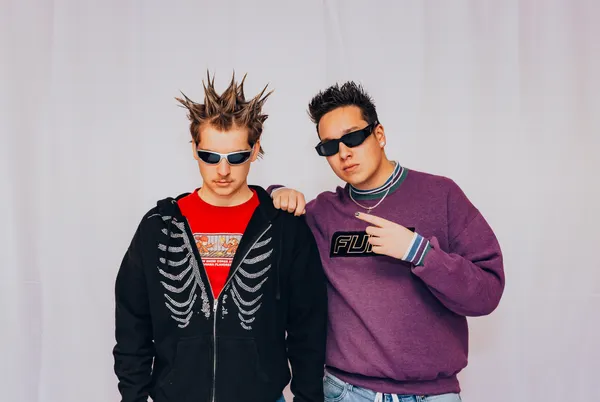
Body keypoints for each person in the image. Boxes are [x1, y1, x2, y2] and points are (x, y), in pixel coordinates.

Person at [270, 81, 505, 402]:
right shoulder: (322, 213)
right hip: (346, 393)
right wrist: (276, 192)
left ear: (379, 134)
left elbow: (487, 294)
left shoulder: (441, 195)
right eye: (329, 146)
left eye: (353, 137)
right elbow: (261, 222)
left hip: (432, 395)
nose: (343, 153)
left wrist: (420, 253)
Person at [113, 72, 327, 402]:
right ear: (194, 149)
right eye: (210, 156)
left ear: (255, 150)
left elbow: (308, 328)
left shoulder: (284, 228)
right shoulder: (159, 227)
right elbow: (132, 326)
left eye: (236, 157)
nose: (223, 171)